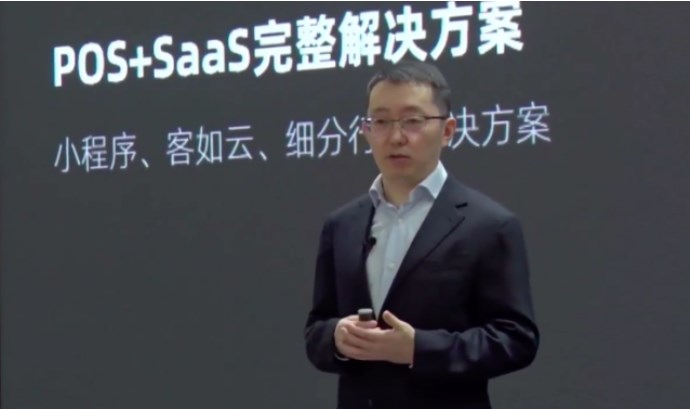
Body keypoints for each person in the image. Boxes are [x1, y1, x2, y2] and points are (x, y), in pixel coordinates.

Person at [304, 60, 539, 409]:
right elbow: (316, 329)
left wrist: (418, 348)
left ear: (447, 130)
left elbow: (515, 339)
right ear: (366, 131)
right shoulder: (342, 224)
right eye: (381, 121)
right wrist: (337, 338)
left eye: (412, 121)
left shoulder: (489, 225)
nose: (395, 136)